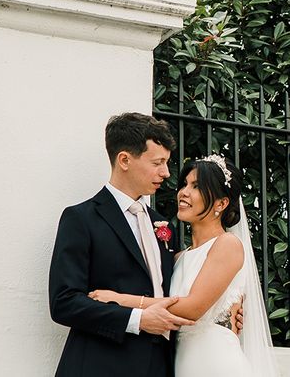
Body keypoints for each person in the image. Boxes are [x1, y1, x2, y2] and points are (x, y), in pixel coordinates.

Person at [90, 154, 280, 377]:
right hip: (182, 364)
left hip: (217, 364)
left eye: (197, 186)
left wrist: (120, 300)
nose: (184, 192)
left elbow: (192, 309)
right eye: (185, 184)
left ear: (221, 203)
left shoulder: (227, 244)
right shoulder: (179, 257)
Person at [48, 112, 194, 377]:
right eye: (157, 162)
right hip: (100, 365)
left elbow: (180, 287)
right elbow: (64, 302)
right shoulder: (81, 219)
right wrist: (137, 320)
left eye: (167, 163)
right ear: (124, 160)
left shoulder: (164, 225)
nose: (166, 173)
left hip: (160, 365)